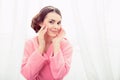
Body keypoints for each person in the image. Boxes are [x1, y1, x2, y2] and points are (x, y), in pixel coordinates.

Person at [21, 6, 73, 80]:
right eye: (51, 22)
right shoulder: (29, 44)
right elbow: (28, 75)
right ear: (40, 23)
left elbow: (59, 75)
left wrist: (56, 44)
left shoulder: (66, 45)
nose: (56, 27)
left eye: (58, 23)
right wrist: (41, 47)